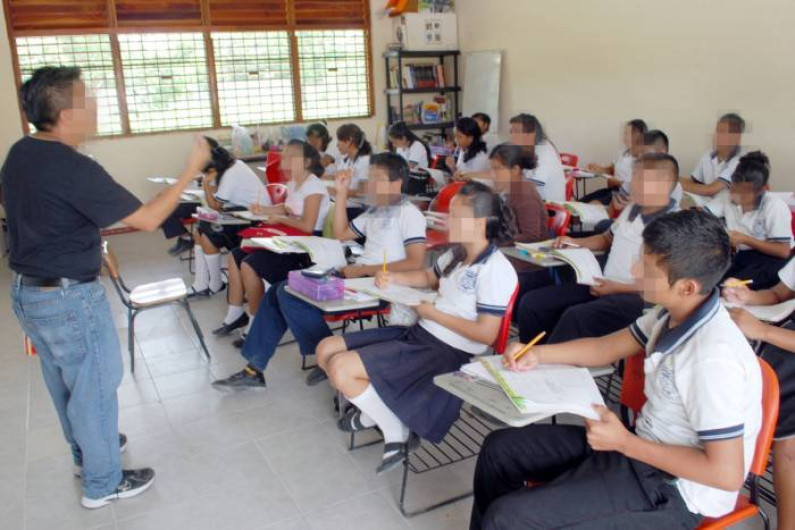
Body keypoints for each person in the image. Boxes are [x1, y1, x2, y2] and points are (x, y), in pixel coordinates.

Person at [470, 209, 762, 530]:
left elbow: (726, 474)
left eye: (647, 268)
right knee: (500, 451)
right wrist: (539, 353)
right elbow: (606, 347)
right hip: (640, 449)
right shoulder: (669, 313)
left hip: (674, 490)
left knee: (507, 518)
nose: (635, 271)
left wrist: (624, 443)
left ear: (687, 287)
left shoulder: (713, 358)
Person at [1, 66, 212, 508]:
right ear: (65, 112)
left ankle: (87, 454)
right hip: (67, 297)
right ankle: (103, 483)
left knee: (65, 382)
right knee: (94, 385)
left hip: (28, 292)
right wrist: (190, 170)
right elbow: (149, 220)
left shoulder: (21, 152)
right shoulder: (73, 167)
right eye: (88, 100)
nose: (96, 108)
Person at [316, 181, 518, 474]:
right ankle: (384, 416)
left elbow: (486, 334)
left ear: (478, 224)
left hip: (448, 351)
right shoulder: (459, 253)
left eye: (455, 216)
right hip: (421, 333)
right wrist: (393, 279)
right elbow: (428, 278)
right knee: (326, 350)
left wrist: (432, 314)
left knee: (341, 370)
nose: (448, 221)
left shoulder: (495, 269)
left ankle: (394, 431)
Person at [212, 153, 427, 389]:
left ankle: (327, 357)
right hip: (356, 275)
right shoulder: (376, 211)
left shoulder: (410, 214)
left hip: (381, 285)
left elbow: (415, 262)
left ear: (396, 183)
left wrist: (363, 269)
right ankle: (255, 369)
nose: (371, 185)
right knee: (278, 292)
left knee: (286, 292)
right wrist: (342, 192)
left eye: (378, 179)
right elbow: (340, 234)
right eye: (371, 178)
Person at [516, 153, 679, 343]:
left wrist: (616, 288)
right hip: (603, 282)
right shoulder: (633, 208)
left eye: (642, 179)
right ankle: (532, 359)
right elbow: (606, 239)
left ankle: (551, 361)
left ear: (665, 184)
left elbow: (663, 285)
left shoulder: (673, 225)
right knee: (533, 304)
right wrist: (573, 242)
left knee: (575, 317)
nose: (632, 184)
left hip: (638, 297)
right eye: (634, 176)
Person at [217, 140, 331, 338]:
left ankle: (255, 323)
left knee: (249, 265)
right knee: (235, 255)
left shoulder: (314, 186)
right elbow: (287, 208)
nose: (283, 162)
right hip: (290, 239)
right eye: (284, 157)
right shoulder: (295, 182)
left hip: (308, 247)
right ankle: (235, 314)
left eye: (289, 158)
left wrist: (280, 218)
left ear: (304, 162)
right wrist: (263, 209)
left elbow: (307, 225)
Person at [724, 263, 795, 530]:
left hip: (782, 345)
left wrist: (764, 331)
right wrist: (748, 297)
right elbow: (778, 294)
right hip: (783, 341)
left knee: (788, 439)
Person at [189, 137, 270, 297]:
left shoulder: (230, 175)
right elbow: (220, 202)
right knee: (200, 231)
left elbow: (215, 205)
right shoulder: (232, 166)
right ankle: (201, 282)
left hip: (256, 218)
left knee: (208, 231)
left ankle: (215, 283)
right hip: (241, 212)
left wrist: (206, 184)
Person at [704, 151, 793, 289]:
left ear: (762, 191)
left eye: (743, 194)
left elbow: (783, 251)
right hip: (743, 256)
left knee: (729, 287)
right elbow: (703, 214)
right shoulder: (727, 197)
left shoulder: (774, 206)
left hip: (773, 260)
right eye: (734, 190)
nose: (735, 197)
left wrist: (745, 240)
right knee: (710, 282)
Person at [489, 143, 548, 245]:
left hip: (525, 255)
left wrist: (495, 244)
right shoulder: (506, 190)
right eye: (492, 169)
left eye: (498, 169)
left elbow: (531, 237)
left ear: (515, 170)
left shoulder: (526, 195)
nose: (492, 175)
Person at [680, 113, 744, 204]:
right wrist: (672, 178)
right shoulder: (707, 156)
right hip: (706, 204)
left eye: (722, 132)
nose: (716, 136)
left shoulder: (740, 161)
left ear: (736, 138)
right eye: (716, 131)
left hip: (726, 210)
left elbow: (710, 190)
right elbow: (693, 182)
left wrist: (674, 184)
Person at [581, 119, 648, 205]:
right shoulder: (623, 152)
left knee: (592, 205)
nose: (626, 136)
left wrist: (618, 182)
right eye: (625, 133)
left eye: (630, 133)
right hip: (612, 190)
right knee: (581, 202)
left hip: (625, 195)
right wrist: (598, 169)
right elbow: (611, 170)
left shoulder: (645, 158)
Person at [509, 113, 566, 202]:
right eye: (511, 131)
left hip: (549, 208)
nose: (511, 136)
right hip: (535, 201)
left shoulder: (543, 151)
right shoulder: (530, 148)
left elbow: (533, 182)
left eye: (516, 132)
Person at [333, 123, 372, 218]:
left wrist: (338, 191)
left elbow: (364, 191)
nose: (337, 145)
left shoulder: (364, 161)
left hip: (357, 210)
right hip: (344, 205)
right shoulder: (346, 159)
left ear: (349, 140)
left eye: (339, 140)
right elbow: (337, 176)